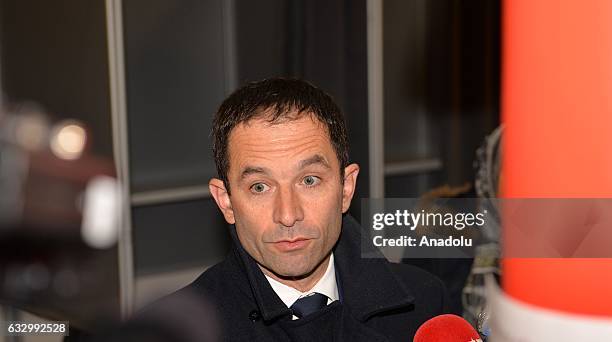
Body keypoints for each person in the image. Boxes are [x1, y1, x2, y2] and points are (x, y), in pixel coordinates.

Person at [176, 78, 448, 341]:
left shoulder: (425, 305)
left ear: (346, 189)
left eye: (309, 180)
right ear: (226, 201)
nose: (288, 215)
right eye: (260, 187)